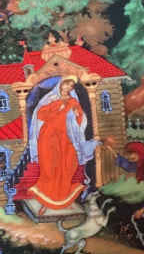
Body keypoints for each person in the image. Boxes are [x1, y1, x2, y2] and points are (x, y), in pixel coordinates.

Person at [28, 76, 99, 216]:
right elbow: (40, 115)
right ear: (61, 85)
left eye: (71, 86)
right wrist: (56, 108)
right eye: (66, 84)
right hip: (49, 137)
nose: (68, 87)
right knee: (50, 167)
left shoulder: (73, 101)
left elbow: (81, 118)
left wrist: (77, 114)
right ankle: (46, 202)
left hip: (66, 137)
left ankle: (64, 200)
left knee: (68, 166)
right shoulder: (51, 99)